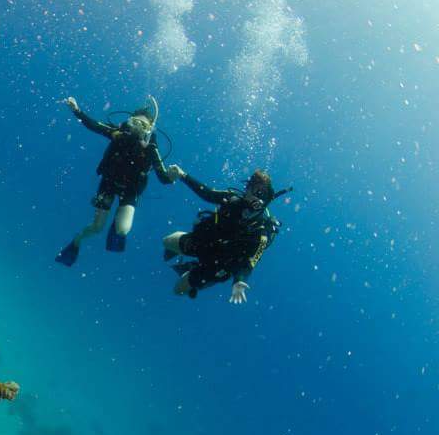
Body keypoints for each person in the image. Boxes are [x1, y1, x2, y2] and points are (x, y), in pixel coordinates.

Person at [55, 96, 175, 266]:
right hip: (109, 183)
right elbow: (94, 125)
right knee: (97, 228)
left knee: (123, 229)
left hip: (131, 190)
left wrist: (172, 176)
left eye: (143, 125)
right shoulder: (117, 134)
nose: (137, 128)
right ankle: (77, 241)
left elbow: (163, 178)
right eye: (135, 122)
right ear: (129, 121)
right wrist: (77, 110)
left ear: (149, 130)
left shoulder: (150, 148)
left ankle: (117, 221)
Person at [162, 167, 291, 303]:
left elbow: (250, 262)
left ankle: (192, 268)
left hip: (216, 267)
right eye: (251, 189)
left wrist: (239, 281)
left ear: (268, 198)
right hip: (201, 242)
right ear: (246, 189)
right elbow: (208, 193)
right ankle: (183, 254)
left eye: (260, 193)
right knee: (167, 241)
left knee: (178, 290)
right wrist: (183, 175)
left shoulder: (261, 231)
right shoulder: (232, 199)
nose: (254, 196)